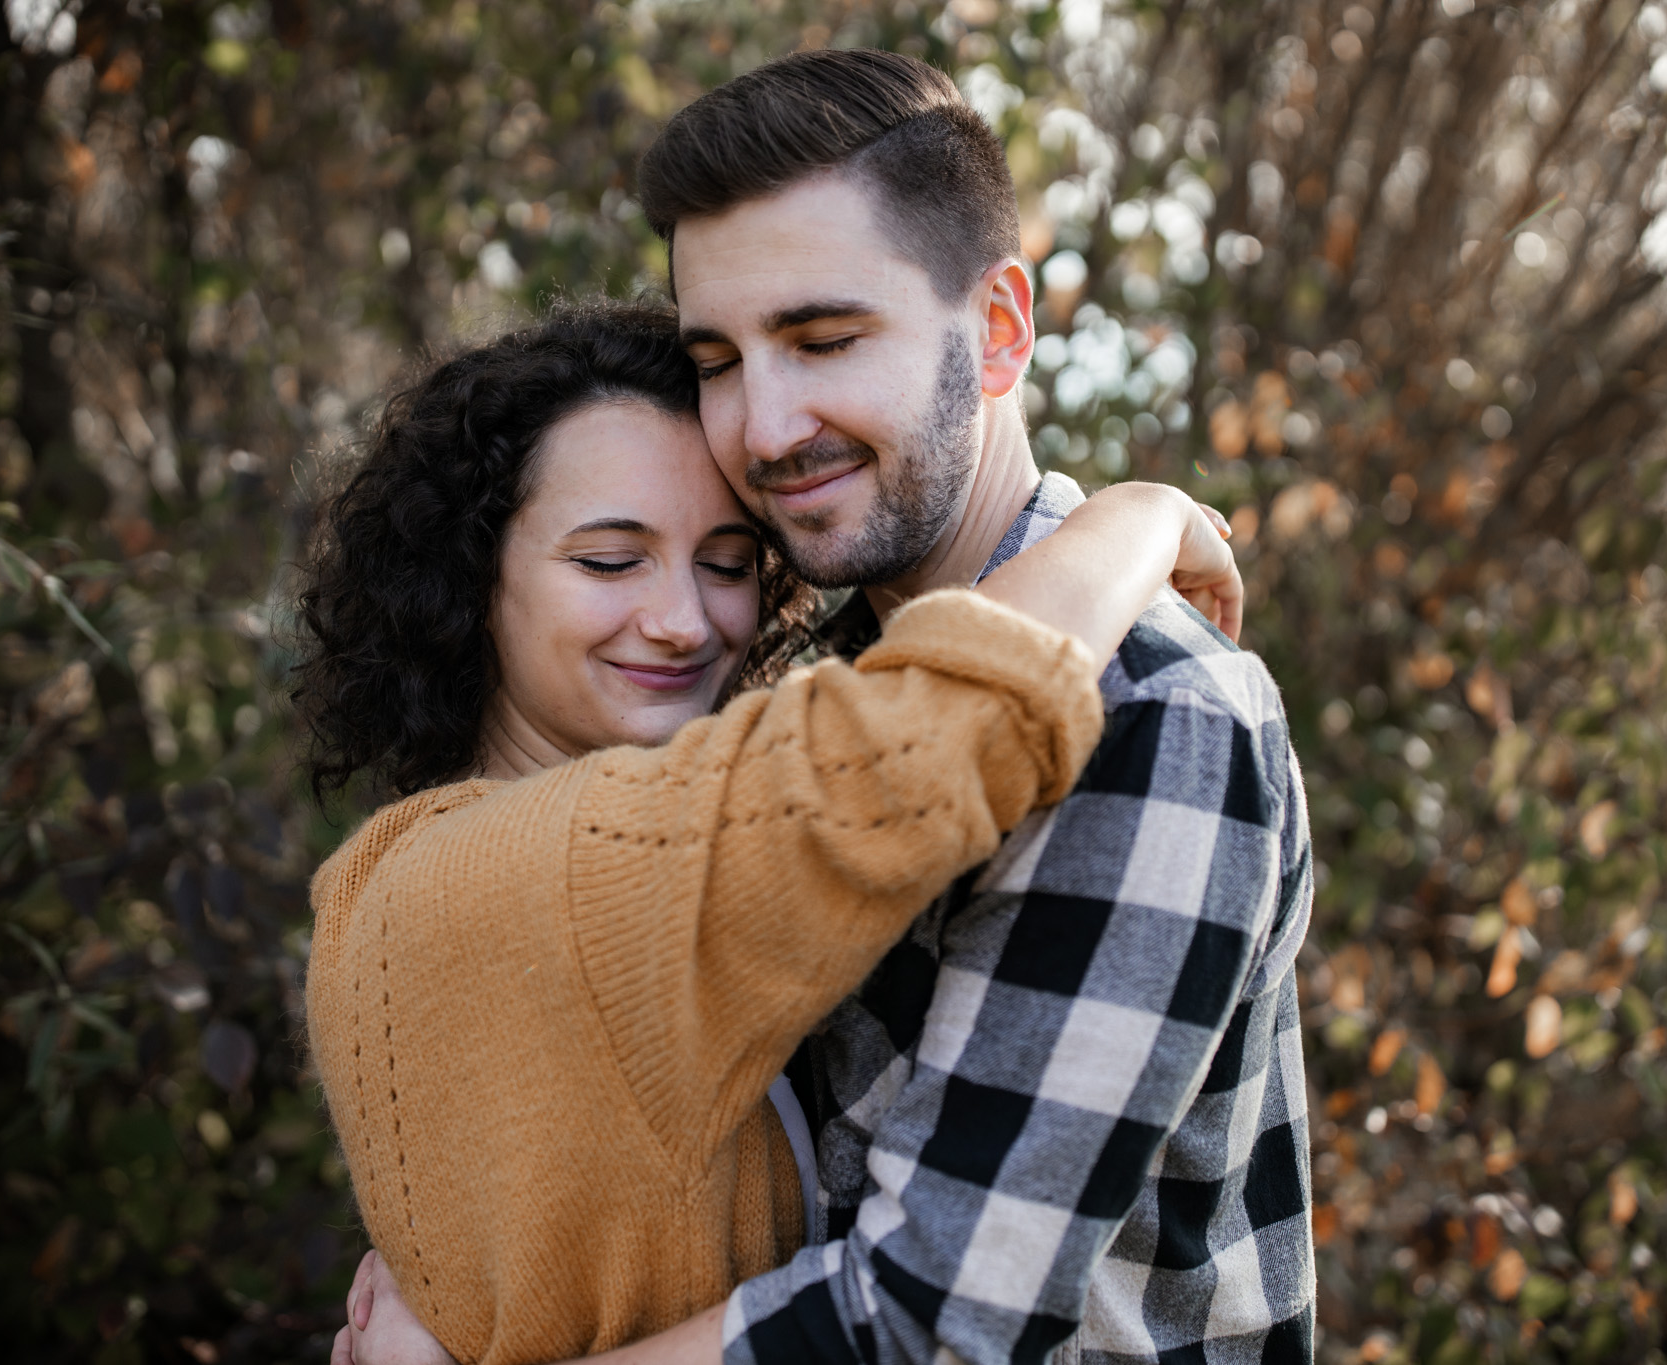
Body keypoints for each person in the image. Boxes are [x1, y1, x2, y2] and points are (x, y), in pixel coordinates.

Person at [349, 46, 1317, 1365]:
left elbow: (922, 1332)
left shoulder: (1148, 711)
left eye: (821, 338)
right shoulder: (810, 692)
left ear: (998, 332)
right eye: (719, 358)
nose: (762, 424)